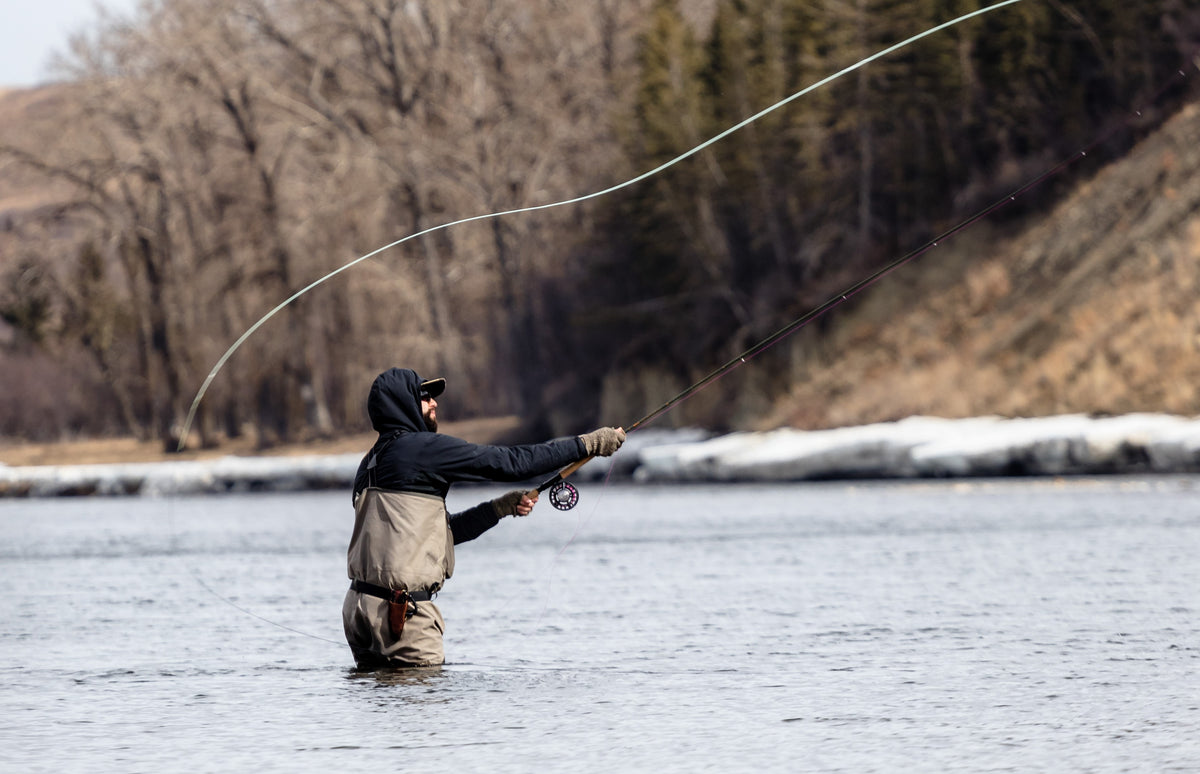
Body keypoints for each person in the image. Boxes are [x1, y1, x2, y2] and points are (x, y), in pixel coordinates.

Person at [342, 367, 625, 669]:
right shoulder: (422, 449)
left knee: (380, 709)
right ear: (403, 403)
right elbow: (511, 463)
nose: (435, 403)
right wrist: (587, 444)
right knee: (423, 710)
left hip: (359, 612)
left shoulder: (369, 462)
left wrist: (499, 508)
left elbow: (439, 534)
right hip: (401, 615)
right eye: (425, 397)